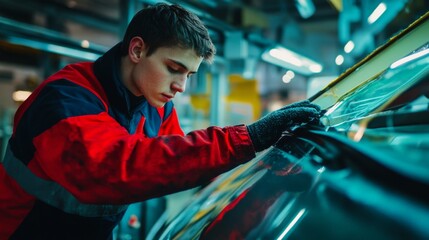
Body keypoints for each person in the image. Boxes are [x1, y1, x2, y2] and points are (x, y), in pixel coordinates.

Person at [0, 3, 321, 239]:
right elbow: (113, 167)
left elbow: (183, 167)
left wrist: (267, 184)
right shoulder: (65, 99)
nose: (181, 86)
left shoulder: (156, 107)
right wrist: (249, 136)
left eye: (189, 75)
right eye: (173, 68)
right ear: (137, 50)